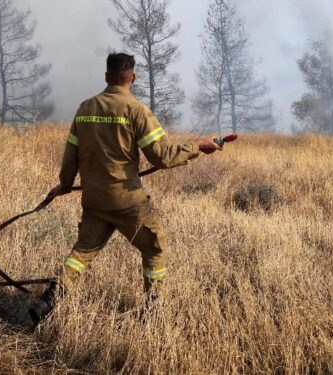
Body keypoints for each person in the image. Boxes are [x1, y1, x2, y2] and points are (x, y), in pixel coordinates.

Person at [28, 53, 223, 325]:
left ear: (107, 76)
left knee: (82, 252)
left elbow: (70, 156)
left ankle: (47, 301)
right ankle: (154, 313)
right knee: (154, 249)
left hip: (94, 200)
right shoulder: (137, 111)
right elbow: (163, 157)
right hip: (128, 201)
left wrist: (64, 185)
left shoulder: (85, 109)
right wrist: (199, 146)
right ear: (133, 77)